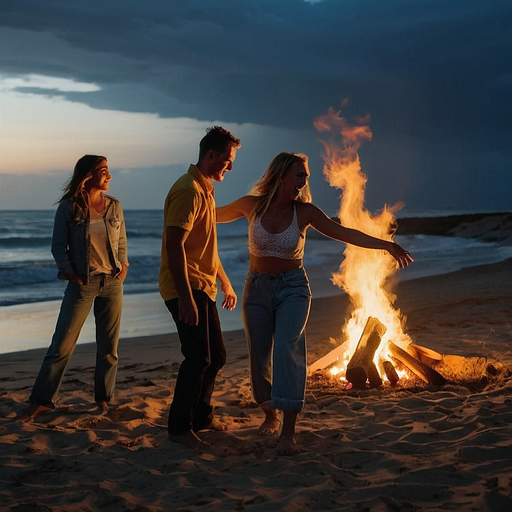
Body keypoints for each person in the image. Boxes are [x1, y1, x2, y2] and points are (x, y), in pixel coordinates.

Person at [216, 152, 413, 455]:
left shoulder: (305, 212)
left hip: (293, 288)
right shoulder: (251, 205)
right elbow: (209, 214)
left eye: (305, 177)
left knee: (287, 349)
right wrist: (192, 190)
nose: (304, 181)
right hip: (255, 289)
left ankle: (288, 431)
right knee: (259, 353)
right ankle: (269, 411)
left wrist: (387, 244)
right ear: (281, 175)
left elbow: (344, 233)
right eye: (300, 175)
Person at [18, 155, 129, 422]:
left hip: (112, 284)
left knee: (109, 348)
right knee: (62, 345)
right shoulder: (69, 208)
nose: (109, 176)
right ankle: (42, 400)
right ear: (88, 175)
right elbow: (58, 246)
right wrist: (70, 273)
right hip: (83, 284)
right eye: (104, 171)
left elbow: (121, 240)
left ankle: (103, 400)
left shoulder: (114, 206)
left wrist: (124, 266)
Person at [160, 126, 241, 449]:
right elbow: (174, 245)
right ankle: (180, 430)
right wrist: (185, 298)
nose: (230, 166)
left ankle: (201, 418)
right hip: (185, 287)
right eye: (227, 159)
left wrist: (225, 283)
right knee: (197, 359)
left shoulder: (205, 189)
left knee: (216, 356)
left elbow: (205, 244)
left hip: (203, 286)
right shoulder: (188, 191)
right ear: (210, 155)